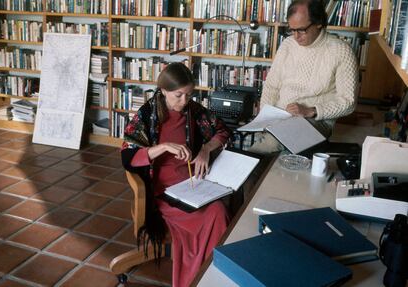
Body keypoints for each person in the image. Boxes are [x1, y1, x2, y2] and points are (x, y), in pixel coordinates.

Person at [121, 62, 232, 287]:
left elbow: (223, 131)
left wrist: (205, 150)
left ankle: (214, 276)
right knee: (214, 214)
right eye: (178, 95)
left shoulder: (194, 111)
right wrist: (162, 147)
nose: (184, 101)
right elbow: (128, 156)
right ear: (163, 90)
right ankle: (201, 277)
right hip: (164, 193)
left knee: (219, 210)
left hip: (193, 183)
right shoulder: (146, 114)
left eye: (189, 95)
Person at [249, 0, 358, 154]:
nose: (296, 36)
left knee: (268, 148)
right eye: (292, 30)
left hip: (315, 121)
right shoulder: (287, 44)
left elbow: (348, 102)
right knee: (265, 143)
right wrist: (266, 117)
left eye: (301, 30)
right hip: (280, 117)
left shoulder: (341, 51)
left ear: (319, 22)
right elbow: (272, 86)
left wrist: (311, 110)